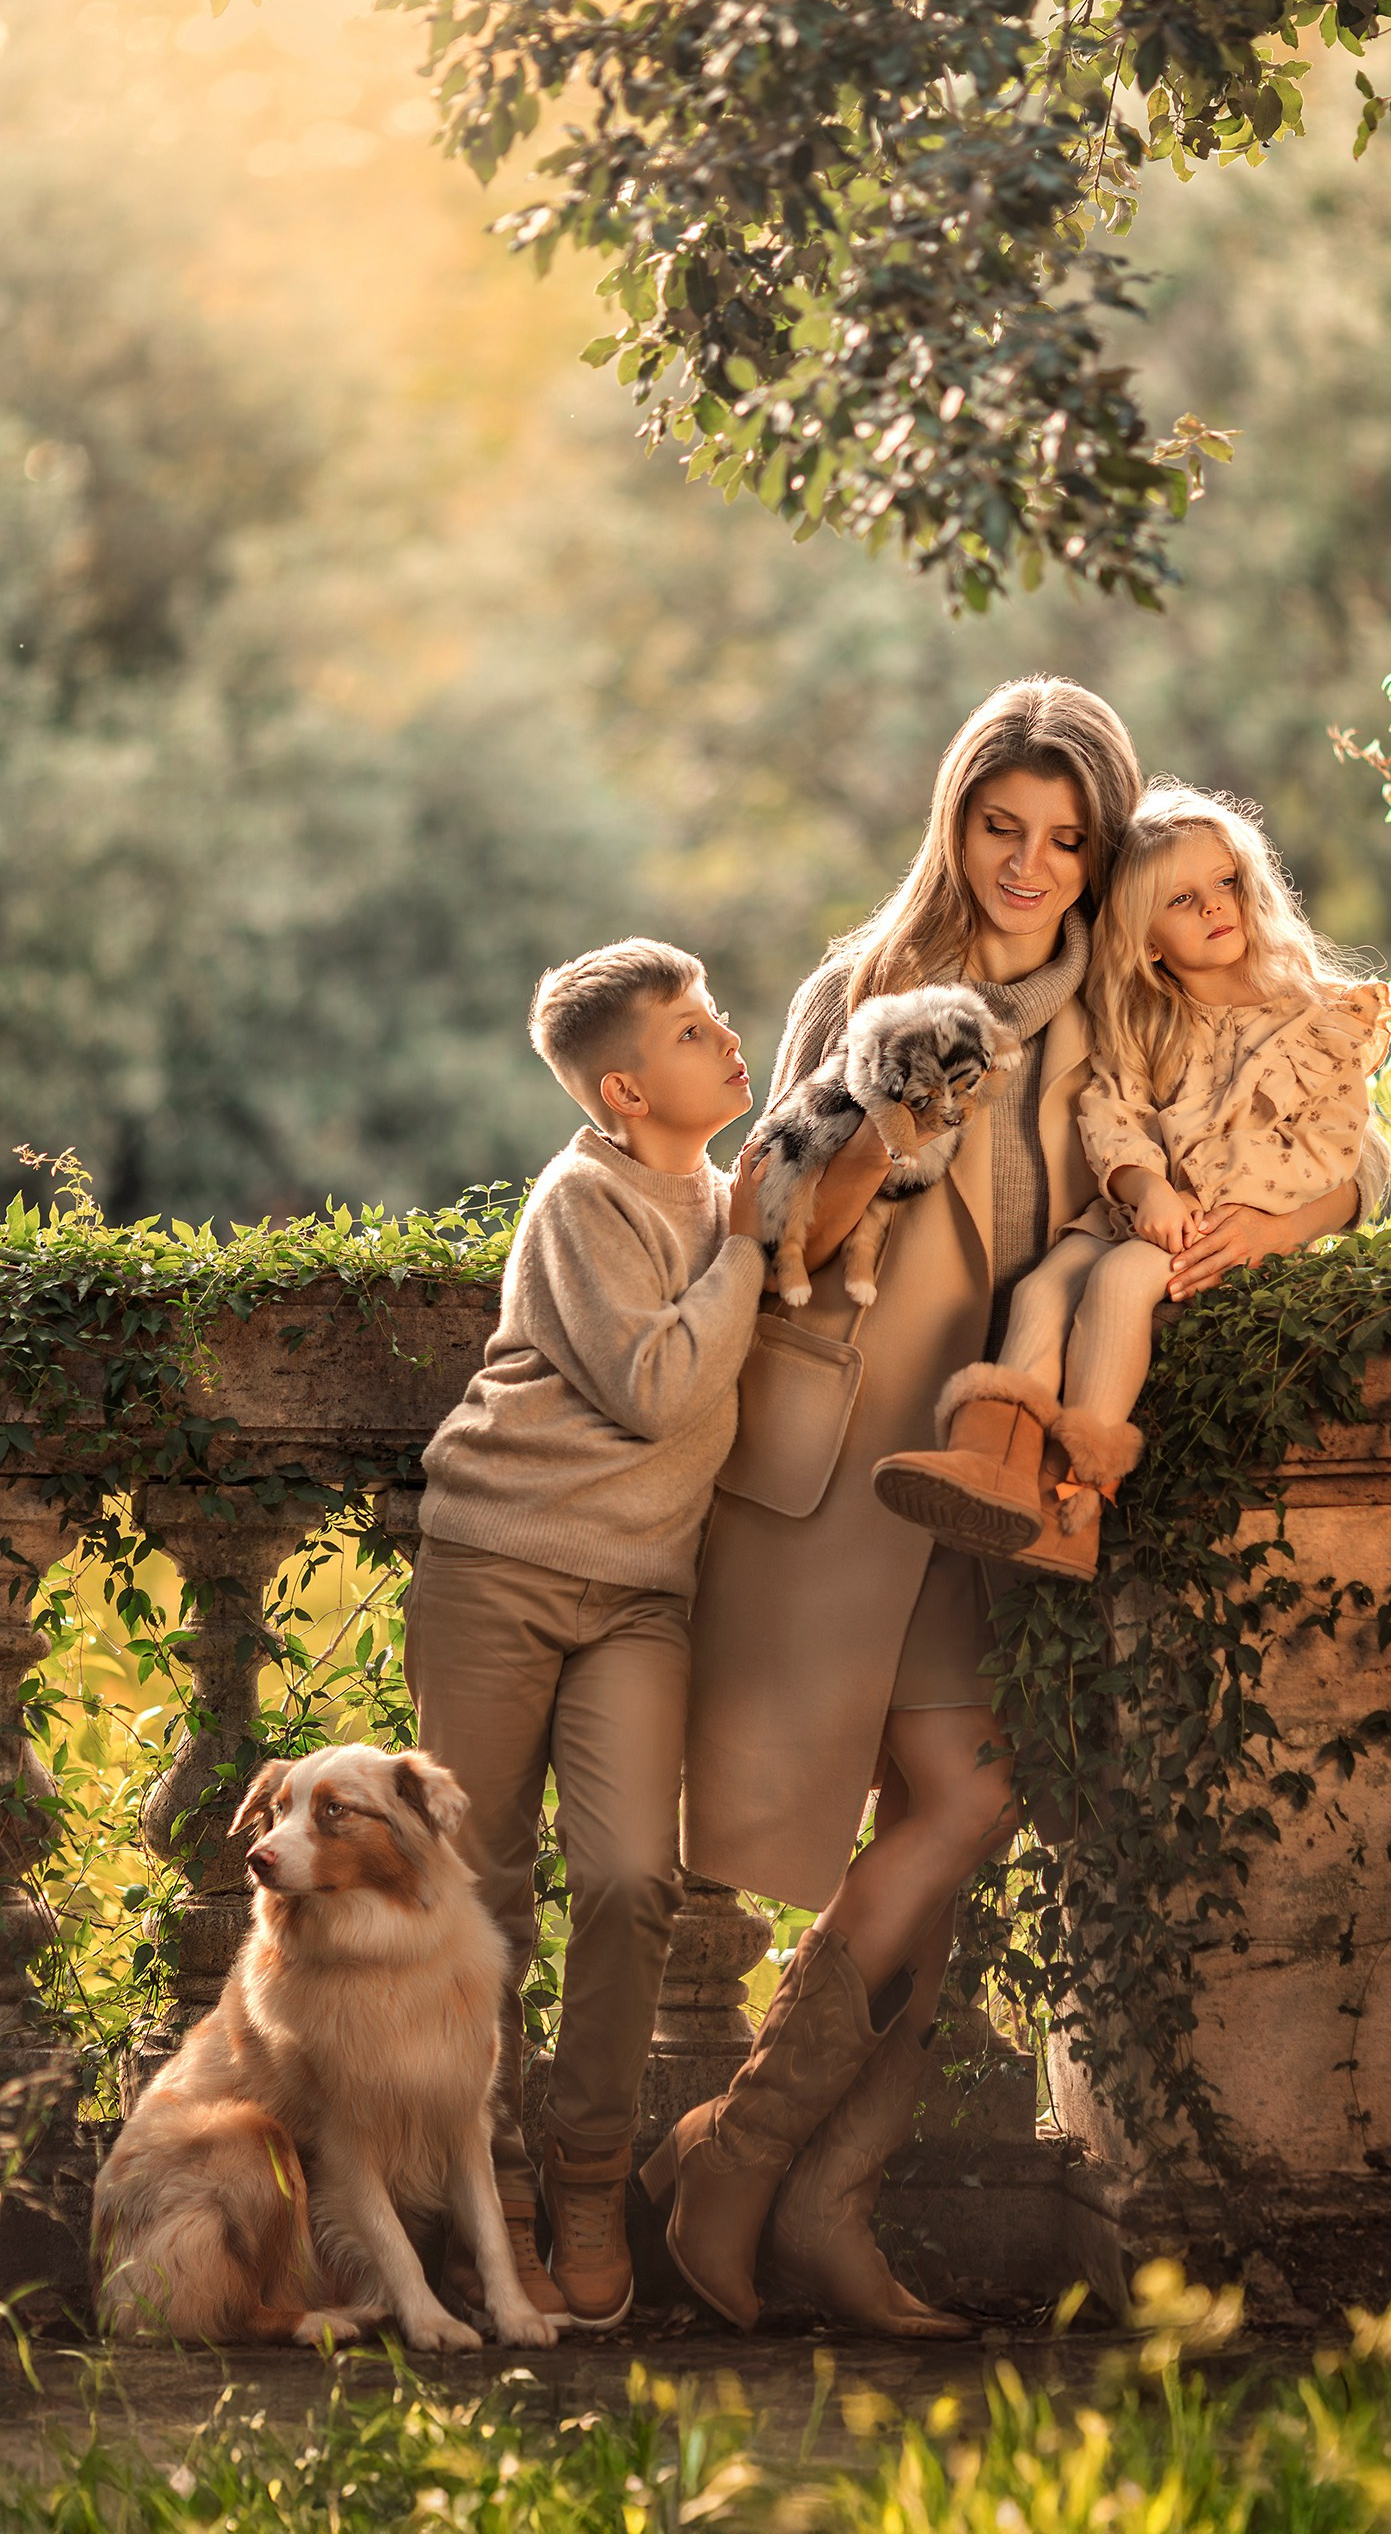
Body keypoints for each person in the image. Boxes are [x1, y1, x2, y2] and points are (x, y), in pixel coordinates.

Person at [634, 680, 1367, 2339]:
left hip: (994, 1471)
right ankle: (784, 2189)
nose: (1026, 864)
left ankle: (763, 2171)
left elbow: (1324, 1106)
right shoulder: (868, 983)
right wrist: (886, 1132)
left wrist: (1290, 1217)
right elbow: (763, 1224)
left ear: (1102, 850)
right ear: (953, 822)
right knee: (913, 1822)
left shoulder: (1127, 1007)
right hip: (839, 1460)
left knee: (959, 1807)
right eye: (997, 825)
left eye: (1062, 837)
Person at [404, 939, 766, 2330]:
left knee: (628, 1880)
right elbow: (659, 1389)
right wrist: (748, 1244)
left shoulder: (737, 1195)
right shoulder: (585, 1196)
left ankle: (585, 2174)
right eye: (691, 1030)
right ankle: (482, 2191)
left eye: (716, 1014)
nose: (725, 1038)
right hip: (495, 1559)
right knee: (480, 1899)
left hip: (639, 1594)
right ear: (624, 1088)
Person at [876, 780, 1391, 1577]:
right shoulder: (1147, 1020)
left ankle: (1077, 1496)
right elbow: (1110, 1113)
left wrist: (1225, 1207)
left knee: (1120, 1281)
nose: (1215, 907)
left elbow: (1335, 1148)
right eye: (1182, 900)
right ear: (1149, 941)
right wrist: (1143, 1186)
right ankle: (993, 1464)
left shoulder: (1319, 1020)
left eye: (1226, 884)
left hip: (1230, 1230)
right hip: (1146, 1218)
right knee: (1046, 1288)